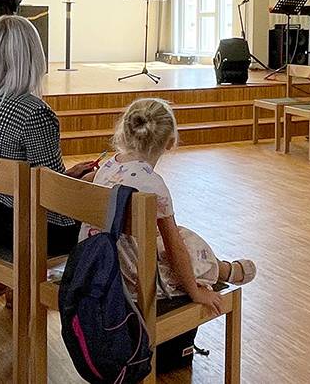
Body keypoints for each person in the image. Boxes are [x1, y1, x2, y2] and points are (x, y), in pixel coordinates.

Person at [81, 99, 256, 312]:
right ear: (170, 142)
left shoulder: (108, 166)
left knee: (176, 237)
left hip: (94, 266)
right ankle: (224, 270)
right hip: (132, 283)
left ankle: (223, 269)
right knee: (185, 242)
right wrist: (195, 292)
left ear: (124, 133)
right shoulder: (152, 185)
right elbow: (174, 248)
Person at [0, 15, 93, 296]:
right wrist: (86, 182)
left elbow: (30, 171)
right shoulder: (36, 113)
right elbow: (53, 193)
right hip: (33, 230)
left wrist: (68, 174)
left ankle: (6, 281)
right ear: (34, 56)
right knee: (106, 210)